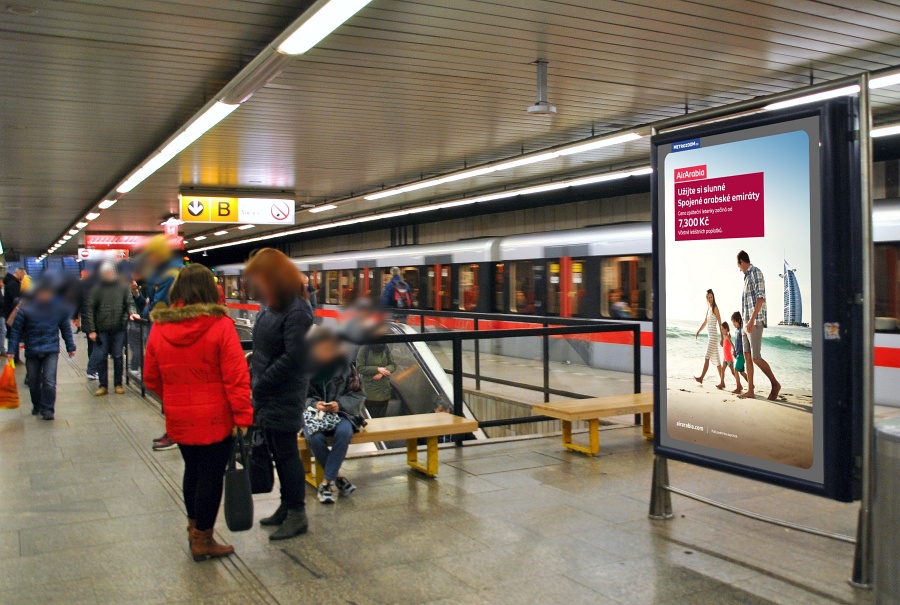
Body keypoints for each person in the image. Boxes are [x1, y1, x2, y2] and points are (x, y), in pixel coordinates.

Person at [142, 264, 252, 562]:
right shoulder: (220, 325)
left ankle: (194, 531)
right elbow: (236, 377)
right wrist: (243, 416)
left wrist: (174, 398)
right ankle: (203, 539)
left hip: (179, 417)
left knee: (192, 470)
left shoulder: (160, 327)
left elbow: (150, 377)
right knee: (211, 476)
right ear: (209, 290)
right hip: (216, 418)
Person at [244, 248, 313, 540]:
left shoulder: (297, 309)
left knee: (286, 454)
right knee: (277, 450)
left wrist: (263, 382)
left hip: (284, 391)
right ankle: (286, 506)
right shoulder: (272, 304)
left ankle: (297, 513)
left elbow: (295, 357)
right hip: (266, 389)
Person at [306, 328, 366, 503]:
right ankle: (338, 478)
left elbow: (359, 395)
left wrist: (339, 404)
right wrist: (314, 404)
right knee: (316, 438)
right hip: (314, 415)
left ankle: (326, 483)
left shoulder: (347, 368)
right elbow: (298, 396)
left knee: (344, 432)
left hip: (342, 414)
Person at [6, 279, 76, 420]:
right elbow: (16, 331)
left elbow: (65, 328)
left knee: (49, 381)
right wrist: (12, 350)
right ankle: (37, 405)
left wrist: (70, 346)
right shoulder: (26, 309)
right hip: (32, 350)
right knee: (33, 382)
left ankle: (48, 409)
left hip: (51, 349)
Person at [141, 235, 185, 451]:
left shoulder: (169, 273)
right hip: (168, 330)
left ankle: (176, 433)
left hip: (169, 331)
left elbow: (158, 304)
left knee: (172, 387)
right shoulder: (166, 270)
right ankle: (175, 430)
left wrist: (146, 312)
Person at [84, 262, 139, 397]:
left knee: (118, 355)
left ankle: (118, 384)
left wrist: (132, 313)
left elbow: (129, 303)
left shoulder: (122, 288)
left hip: (119, 327)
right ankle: (103, 385)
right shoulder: (96, 289)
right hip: (102, 329)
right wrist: (92, 330)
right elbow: (90, 310)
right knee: (102, 356)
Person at [737, 251, 781, 401]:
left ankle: (775, 384)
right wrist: (744, 323)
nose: (739, 269)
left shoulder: (756, 272)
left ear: (741, 262)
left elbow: (760, 299)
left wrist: (751, 320)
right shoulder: (746, 277)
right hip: (745, 323)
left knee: (756, 357)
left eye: (738, 265)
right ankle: (750, 390)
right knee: (747, 356)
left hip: (754, 322)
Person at [356, 329, 397, 419]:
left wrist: (382, 372)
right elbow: (359, 368)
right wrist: (377, 369)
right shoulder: (365, 348)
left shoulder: (385, 347)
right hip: (371, 391)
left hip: (385, 390)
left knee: (382, 417)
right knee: (373, 418)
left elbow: (393, 365)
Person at [694, 289, 724, 387]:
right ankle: (722, 382)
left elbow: (720, 323)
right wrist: (698, 331)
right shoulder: (708, 309)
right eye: (709, 297)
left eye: (711, 297)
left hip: (713, 337)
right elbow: (705, 322)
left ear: (713, 297)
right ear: (707, 298)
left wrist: (722, 337)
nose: (710, 299)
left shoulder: (715, 308)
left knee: (706, 357)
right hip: (710, 337)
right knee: (717, 361)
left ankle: (701, 378)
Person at [3, 267, 25, 364]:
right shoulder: (13, 284)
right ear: (19, 273)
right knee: (14, 335)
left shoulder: (10, 282)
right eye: (23, 275)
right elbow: (16, 300)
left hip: (9, 313)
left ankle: (14, 356)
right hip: (13, 314)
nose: (23, 277)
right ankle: (15, 357)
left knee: (12, 335)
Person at [730, 312, 748, 394]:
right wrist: (734, 351)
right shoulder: (736, 330)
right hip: (737, 354)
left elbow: (744, 343)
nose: (733, 324)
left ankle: (738, 387)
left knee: (736, 370)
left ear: (738, 320)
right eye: (732, 322)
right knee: (742, 372)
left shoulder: (741, 329)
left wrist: (744, 354)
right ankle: (751, 385)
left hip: (741, 355)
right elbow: (737, 343)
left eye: (734, 322)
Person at [720, 321, 739, 392]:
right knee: (722, 370)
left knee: (733, 372)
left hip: (729, 359)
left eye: (722, 329)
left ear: (726, 329)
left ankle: (739, 385)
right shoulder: (725, 337)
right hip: (725, 358)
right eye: (721, 329)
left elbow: (732, 345)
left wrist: (734, 351)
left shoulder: (728, 337)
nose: (721, 330)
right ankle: (722, 383)